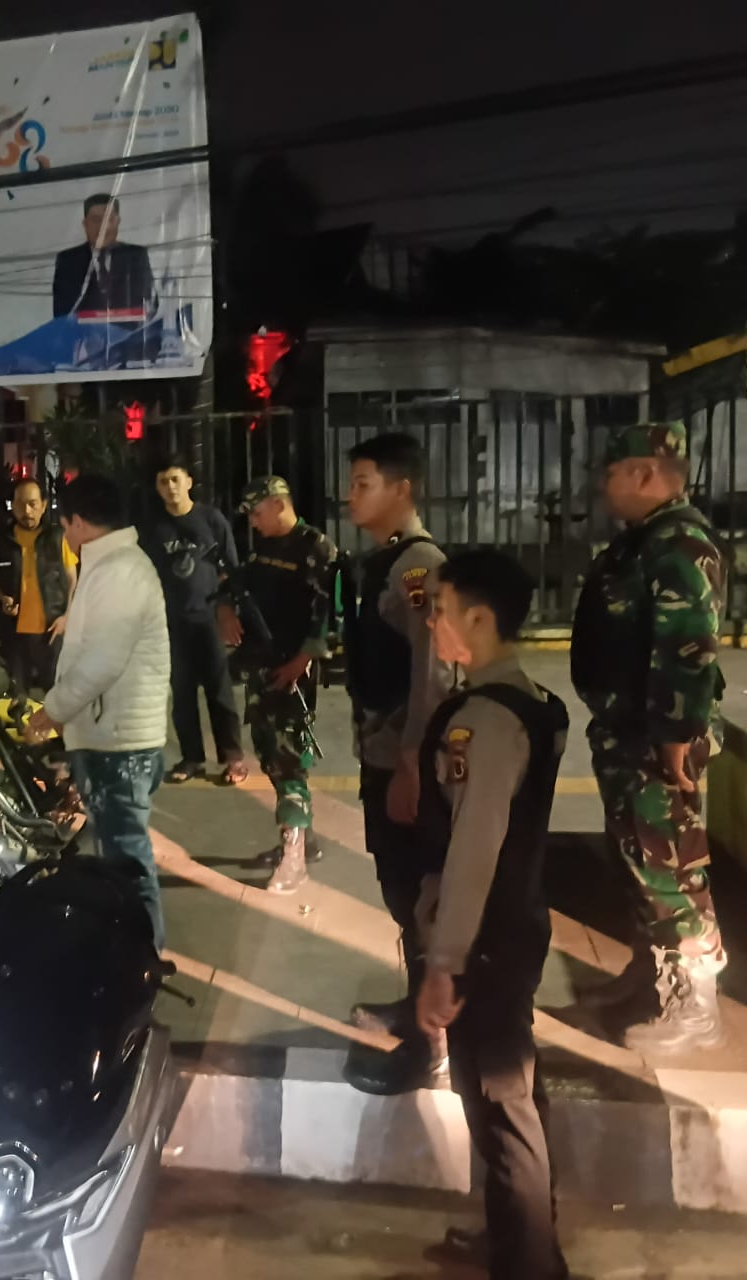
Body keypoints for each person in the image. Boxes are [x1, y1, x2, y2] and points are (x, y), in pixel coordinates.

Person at [416, 550, 569, 1280]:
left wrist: (444, 961)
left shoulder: (484, 719)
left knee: (502, 1103)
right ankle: (516, 1237)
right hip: (515, 925)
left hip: (485, 941)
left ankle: (530, 1263)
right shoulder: (530, 701)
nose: (434, 624)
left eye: (442, 610)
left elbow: (474, 848)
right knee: (508, 1091)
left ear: (478, 619)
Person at [570, 422, 727, 1054]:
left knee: (671, 870)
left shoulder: (679, 545)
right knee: (640, 861)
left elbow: (690, 647)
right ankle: (652, 978)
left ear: (645, 473)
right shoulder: (643, 541)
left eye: (611, 473)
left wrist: (674, 735)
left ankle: (695, 1006)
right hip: (629, 732)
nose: (602, 485)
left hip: (657, 737)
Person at [341, 432, 453, 1096]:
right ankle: (417, 1007)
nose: (350, 495)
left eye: (363, 483)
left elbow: (433, 678)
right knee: (402, 893)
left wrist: (412, 763)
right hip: (382, 754)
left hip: (407, 762)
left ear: (401, 489)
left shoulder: (420, 569)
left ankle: (434, 1044)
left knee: (423, 897)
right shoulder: (385, 562)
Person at [25, 475, 170, 946]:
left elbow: (102, 661)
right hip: (115, 736)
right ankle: (131, 953)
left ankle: (143, 959)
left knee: (127, 863)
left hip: (119, 743)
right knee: (118, 858)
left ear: (80, 522)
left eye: (65, 523)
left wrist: (53, 710)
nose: (64, 534)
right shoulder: (110, 565)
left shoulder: (119, 571)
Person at [216, 477, 334, 893]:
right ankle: (302, 838)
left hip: (293, 672)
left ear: (279, 504)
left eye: (256, 511)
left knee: (288, 759)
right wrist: (225, 610)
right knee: (270, 753)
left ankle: (294, 858)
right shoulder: (263, 549)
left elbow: (329, 611)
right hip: (261, 667)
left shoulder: (316, 548)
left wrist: (303, 659)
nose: (252, 520)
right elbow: (233, 586)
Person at [144, 456, 246, 785]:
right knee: (182, 692)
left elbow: (231, 567)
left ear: (189, 482)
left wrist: (228, 608)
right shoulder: (154, 527)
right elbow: (145, 573)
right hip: (171, 621)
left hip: (208, 618)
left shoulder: (211, 520)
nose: (170, 487)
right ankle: (191, 757)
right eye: (163, 482)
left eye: (175, 479)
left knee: (219, 689)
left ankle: (233, 758)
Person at [0, 477, 78, 696]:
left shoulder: (57, 538)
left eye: (33, 504)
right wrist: (2, 598)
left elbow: (72, 578)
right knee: (16, 695)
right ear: (13, 506)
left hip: (52, 631)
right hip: (13, 633)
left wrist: (66, 616)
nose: (27, 511)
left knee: (57, 695)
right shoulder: (0, 541)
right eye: (20, 504)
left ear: (43, 505)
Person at [52, 194, 156, 319]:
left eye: (108, 220)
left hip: (128, 330)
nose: (102, 227)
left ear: (118, 222)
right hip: (82, 331)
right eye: (95, 220)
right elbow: (61, 312)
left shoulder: (136, 256)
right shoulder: (68, 260)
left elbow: (151, 304)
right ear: (85, 224)